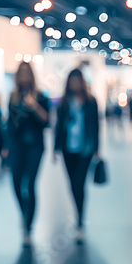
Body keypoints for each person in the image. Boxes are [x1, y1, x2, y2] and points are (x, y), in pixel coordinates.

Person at [3, 62, 49, 246]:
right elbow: (10, 126)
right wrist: (5, 146)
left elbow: (47, 122)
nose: (23, 77)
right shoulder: (13, 97)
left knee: (29, 184)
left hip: (35, 146)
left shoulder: (41, 97)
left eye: (26, 73)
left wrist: (34, 106)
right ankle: (24, 213)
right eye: (20, 74)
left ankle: (28, 226)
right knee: (15, 183)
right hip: (17, 146)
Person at [54, 69, 99, 242]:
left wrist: (97, 147)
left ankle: (80, 219)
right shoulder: (64, 102)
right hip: (67, 148)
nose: (74, 84)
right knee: (72, 184)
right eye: (72, 81)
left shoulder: (90, 101)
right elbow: (58, 125)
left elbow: (96, 125)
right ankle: (77, 213)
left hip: (85, 148)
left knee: (79, 183)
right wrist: (56, 148)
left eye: (77, 81)